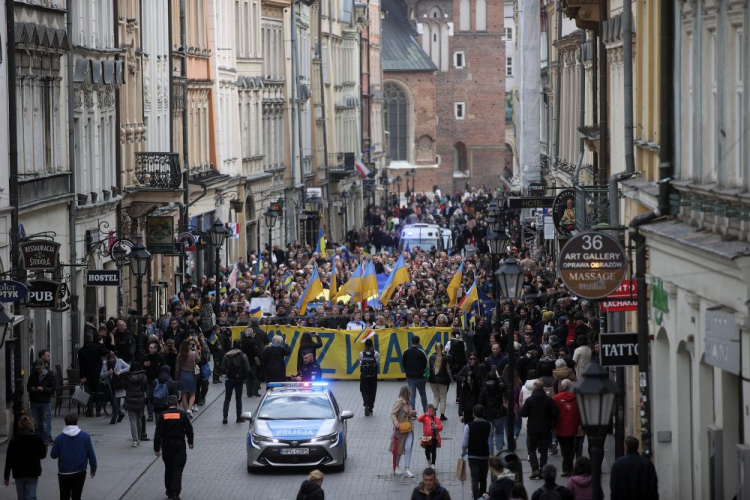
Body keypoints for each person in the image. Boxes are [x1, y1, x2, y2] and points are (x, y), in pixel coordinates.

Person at [154, 395, 194, 500]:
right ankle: (176, 492)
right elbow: (189, 429)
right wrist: (190, 441)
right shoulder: (182, 414)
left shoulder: (163, 415)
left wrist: (156, 448)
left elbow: (158, 433)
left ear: (167, 404)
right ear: (176, 403)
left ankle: (169, 491)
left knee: (168, 468)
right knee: (177, 468)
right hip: (179, 445)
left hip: (167, 445)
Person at [50, 413, 97, 500]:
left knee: (64, 496)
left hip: (64, 472)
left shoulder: (60, 438)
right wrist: (93, 468)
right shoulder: (85, 436)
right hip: (80, 471)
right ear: (77, 422)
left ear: (65, 423)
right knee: (77, 495)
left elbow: (53, 455)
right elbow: (91, 454)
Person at [520, 380, 559, 480]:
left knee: (531, 449)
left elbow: (523, 413)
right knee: (544, 451)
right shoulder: (549, 400)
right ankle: (542, 470)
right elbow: (555, 412)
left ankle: (535, 469)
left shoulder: (529, 400)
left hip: (532, 429)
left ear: (534, 388)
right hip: (545, 429)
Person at [3, 415, 46, 500]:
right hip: (33, 471)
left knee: (21, 496)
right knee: (31, 496)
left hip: (19, 472)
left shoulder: (14, 441)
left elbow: (9, 460)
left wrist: (6, 476)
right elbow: (42, 455)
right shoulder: (37, 439)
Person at [610, 436, 659, 500]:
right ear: (637, 447)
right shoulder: (647, 463)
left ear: (626, 447)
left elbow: (614, 486)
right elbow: (653, 485)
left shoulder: (618, 463)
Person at [461, 404, 492, 500]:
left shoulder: (469, 426)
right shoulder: (488, 425)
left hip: (473, 455)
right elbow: (490, 436)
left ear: (473, 414)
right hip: (484, 455)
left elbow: (464, 443)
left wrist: (463, 452)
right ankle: (482, 496)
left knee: (475, 479)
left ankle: (475, 497)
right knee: (483, 478)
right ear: (483, 414)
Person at [552, 379, 580, 476]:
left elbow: (553, 413)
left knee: (565, 450)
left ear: (562, 387)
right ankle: (567, 468)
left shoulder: (556, 398)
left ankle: (569, 469)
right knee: (570, 449)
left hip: (561, 428)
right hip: (573, 427)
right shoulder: (576, 397)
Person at [220, 339, 252, 424]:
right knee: (238, 398)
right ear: (240, 345)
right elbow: (248, 368)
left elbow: (222, 368)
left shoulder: (227, 355)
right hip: (239, 380)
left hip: (229, 379)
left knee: (227, 398)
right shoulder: (243, 355)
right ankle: (238, 417)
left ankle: (225, 417)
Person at [27, 358, 56, 445]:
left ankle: (45, 441)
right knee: (36, 424)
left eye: (39, 368)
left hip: (45, 402)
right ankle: (37, 441)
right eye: (36, 368)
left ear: (43, 366)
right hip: (34, 401)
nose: (38, 370)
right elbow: (28, 387)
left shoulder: (50, 375)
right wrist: (32, 389)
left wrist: (43, 389)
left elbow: (52, 388)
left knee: (45, 424)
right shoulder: (33, 375)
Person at [77, 332, 106, 417]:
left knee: (88, 392)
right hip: (98, 373)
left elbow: (81, 365)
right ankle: (98, 411)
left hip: (87, 374)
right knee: (98, 392)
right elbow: (105, 352)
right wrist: (102, 344)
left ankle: (90, 410)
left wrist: (82, 376)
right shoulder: (97, 348)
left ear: (85, 339)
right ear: (92, 339)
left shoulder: (81, 350)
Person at [390, 385, 416, 478]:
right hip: (401, 429)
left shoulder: (407, 402)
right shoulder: (400, 402)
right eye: (410, 393)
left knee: (408, 448)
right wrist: (396, 423)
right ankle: (396, 466)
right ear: (407, 393)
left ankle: (407, 469)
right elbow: (393, 413)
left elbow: (406, 413)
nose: (411, 394)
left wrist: (412, 412)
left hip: (408, 428)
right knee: (399, 449)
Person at [123, 361, 148, 447]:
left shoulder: (127, 377)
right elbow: (145, 387)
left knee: (132, 420)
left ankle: (135, 440)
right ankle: (139, 437)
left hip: (130, 399)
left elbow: (125, 387)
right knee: (139, 420)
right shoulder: (143, 376)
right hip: (140, 399)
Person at [101, 352, 130, 425]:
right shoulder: (105, 363)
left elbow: (128, 367)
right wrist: (107, 373)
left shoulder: (119, 361)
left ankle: (114, 418)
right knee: (112, 402)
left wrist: (120, 371)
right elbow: (101, 374)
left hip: (118, 384)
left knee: (116, 401)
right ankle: (120, 414)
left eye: (112, 360)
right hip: (109, 385)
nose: (111, 362)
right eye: (110, 361)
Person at [402, 336, 428, 414]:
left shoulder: (406, 352)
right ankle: (425, 412)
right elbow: (425, 364)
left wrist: (407, 371)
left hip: (410, 377)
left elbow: (404, 363)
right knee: (423, 394)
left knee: (412, 395)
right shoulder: (421, 352)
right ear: (418, 342)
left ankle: (412, 412)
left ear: (411, 341)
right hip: (420, 377)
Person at [175, 339, 199, 418]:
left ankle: (185, 411)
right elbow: (198, 360)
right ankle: (189, 409)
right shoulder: (192, 354)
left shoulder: (180, 355)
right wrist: (196, 350)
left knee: (184, 394)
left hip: (182, 374)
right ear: (189, 345)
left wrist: (177, 377)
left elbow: (177, 368)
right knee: (192, 393)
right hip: (191, 374)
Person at [427, 342, 451, 421]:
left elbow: (428, 368)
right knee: (443, 397)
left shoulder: (430, 357)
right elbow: (448, 371)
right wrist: (452, 380)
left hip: (432, 380)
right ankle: (442, 415)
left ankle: (432, 413)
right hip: (443, 381)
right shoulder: (445, 358)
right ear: (442, 348)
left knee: (436, 396)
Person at [143, 341, 165, 422]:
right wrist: (144, 365)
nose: (149, 349)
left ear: (156, 349)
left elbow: (163, 368)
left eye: (151, 348)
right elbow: (142, 368)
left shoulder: (160, 358)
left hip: (158, 380)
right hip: (149, 380)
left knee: (158, 396)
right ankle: (150, 414)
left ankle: (158, 413)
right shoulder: (146, 357)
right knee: (149, 396)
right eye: (149, 348)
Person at [358, 338, 380, 416]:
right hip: (373, 376)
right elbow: (377, 363)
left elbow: (360, 363)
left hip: (364, 376)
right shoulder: (376, 353)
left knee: (364, 390)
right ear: (372, 345)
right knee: (372, 391)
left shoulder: (361, 353)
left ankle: (366, 404)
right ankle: (371, 407)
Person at [417, 404, 443, 468]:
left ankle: (433, 463)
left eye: (433, 411)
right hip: (426, 437)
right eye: (430, 411)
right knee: (427, 450)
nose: (432, 413)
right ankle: (428, 460)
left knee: (434, 450)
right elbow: (419, 419)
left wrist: (437, 427)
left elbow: (441, 427)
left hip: (434, 437)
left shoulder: (436, 419)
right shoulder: (425, 418)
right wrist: (425, 414)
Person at [240, 328, 261, 397]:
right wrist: (258, 361)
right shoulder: (253, 341)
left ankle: (249, 393)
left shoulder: (242, 341)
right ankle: (255, 391)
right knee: (255, 376)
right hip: (252, 361)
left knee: (248, 377)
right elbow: (255, 353)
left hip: (245, 362)